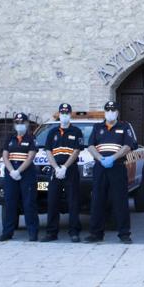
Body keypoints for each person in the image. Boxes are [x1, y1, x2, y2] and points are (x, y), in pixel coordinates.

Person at [84, 101, 135, 244]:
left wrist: (113, 157)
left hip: (117, 166)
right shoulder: (97, 127)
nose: (110, 112)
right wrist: (100, 158)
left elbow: (127, 146)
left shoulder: (124, 127)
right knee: (97, 200)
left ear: (117, 112)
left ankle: (124, 234)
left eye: (113, 110)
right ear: (105, 112)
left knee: (120, 201)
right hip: (100, 167)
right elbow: (91, 146)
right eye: (108, 109)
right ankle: (96, 234)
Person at [40, 103, 84, 243]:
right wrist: (56, 168)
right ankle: (51, 232)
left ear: (70, 114)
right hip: (55, 171)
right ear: (59, 114)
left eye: (67, 112)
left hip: (70, 170)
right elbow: (48, 151)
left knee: (73, 201)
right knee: (52, 201)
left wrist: (64, 167)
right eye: (62, 112)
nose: (64, 114)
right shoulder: (52, 132)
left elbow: (76, 151)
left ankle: (74, 231)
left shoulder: (76, 131)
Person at [0, 113, 39, 242]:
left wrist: (19, 171)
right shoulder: (10, 138)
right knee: (10, 203)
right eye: (17, 122)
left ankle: (32, 232)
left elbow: (31, 156)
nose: (19, 124)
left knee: (29, 204)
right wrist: (12, 171)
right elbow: (5, 155)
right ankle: (7, 232)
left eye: (22, 122)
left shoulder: (31, 138)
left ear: (27, 124)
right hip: (11, 175)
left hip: (26, 174)